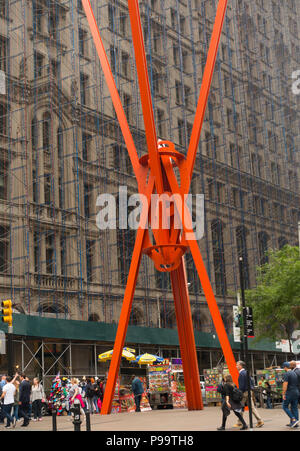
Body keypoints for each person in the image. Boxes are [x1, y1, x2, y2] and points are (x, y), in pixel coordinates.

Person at [235, 361, 264, 428]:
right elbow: (252, 381)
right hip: (249, 391)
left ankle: (240, 422)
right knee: (251, 407)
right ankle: (259, 420)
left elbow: (241, 386)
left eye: (237, 365)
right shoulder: (247, 372)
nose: (236, 366)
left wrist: (239, 393)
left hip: (244, 392)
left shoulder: (241, 374)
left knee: (240, 406)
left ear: (240, 366)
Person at [281, 362, 299, 428]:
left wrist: (283, 393)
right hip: (296, 391)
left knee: (284, 406)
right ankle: (296, 422)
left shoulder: (286, 374)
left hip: (289, 392)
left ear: (285, 367)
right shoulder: (294, 373)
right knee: (294, 407)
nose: (283, 368)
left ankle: (293, 419)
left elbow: (285, 384)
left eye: (283, 367)